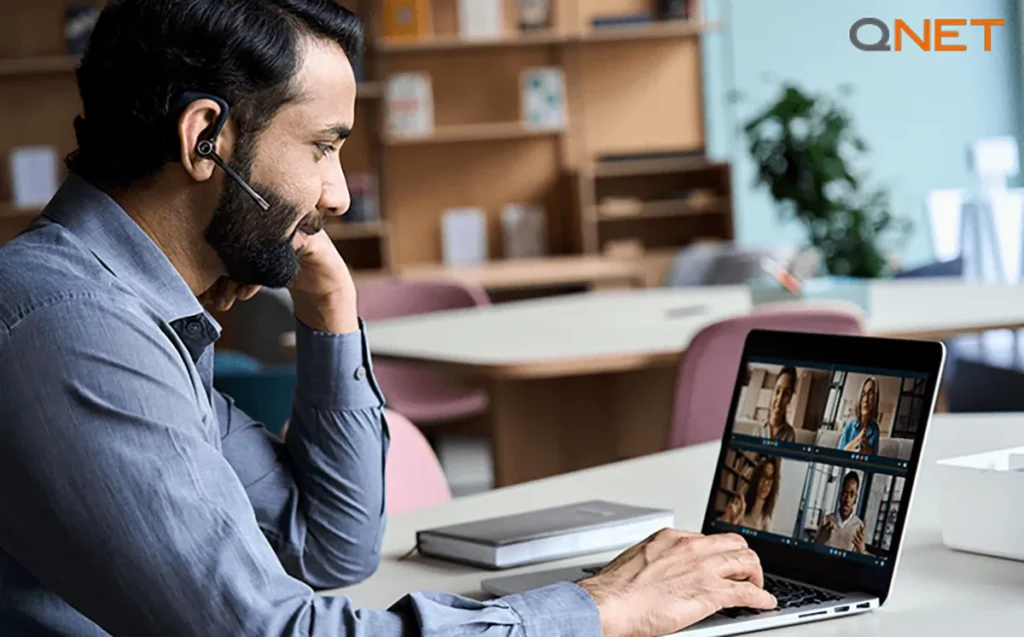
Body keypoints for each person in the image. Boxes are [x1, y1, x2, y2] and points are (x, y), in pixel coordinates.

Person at [0, 2, 776, 635]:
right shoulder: (70, 327)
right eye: (322, 147)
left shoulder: (128, 314)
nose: (336, 195)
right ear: (207, 137)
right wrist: (596, 608)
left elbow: (330, 544)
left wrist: (330, 307)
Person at [815, 471, 868, 554]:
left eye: (852, 494)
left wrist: (862, 551)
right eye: (845, 493)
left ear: (855, 499)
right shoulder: (827, 521)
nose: (847, 499)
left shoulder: (858, 527)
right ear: (840, 495)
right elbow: (814, 550)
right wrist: (820, 540)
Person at [838, 377, 882, 455]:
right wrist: (856, 441)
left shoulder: (875, 429)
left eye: (870, 393)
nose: (866, 399)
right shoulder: (850, 426)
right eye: (863, 394)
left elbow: (874, 458)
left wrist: (867, 448)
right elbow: (838, 454)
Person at [754, 366, 797, 443]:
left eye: (786, 394)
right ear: (773, 393)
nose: (779, 399)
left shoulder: (790, 435)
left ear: (790, 399)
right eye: (777, 391)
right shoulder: (758, 429)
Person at [740, 457, 780, 532]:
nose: (765, 483)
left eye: (770, 479)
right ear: (757, 478)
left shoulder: (766, 522)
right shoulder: (740, 507)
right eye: (764, 476)